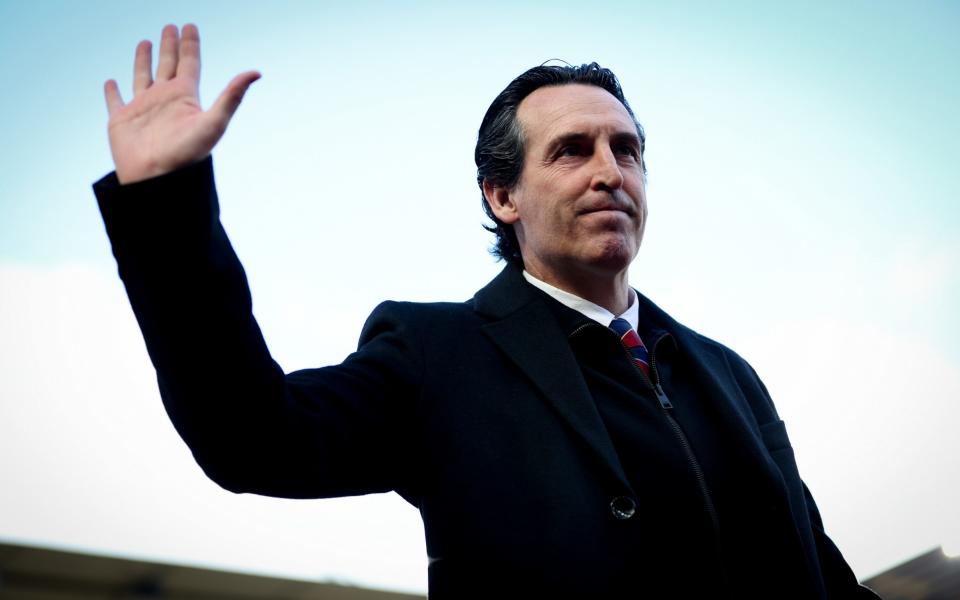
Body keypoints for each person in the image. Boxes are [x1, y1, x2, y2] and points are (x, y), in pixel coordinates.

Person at [94, 24, 880, 599]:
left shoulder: (731, 375)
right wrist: (164, 203)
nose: (611, 172)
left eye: (627, 149)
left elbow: (824, 578)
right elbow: (252, 439)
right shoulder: (437, 352)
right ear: (502, 195)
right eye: (573, 150)